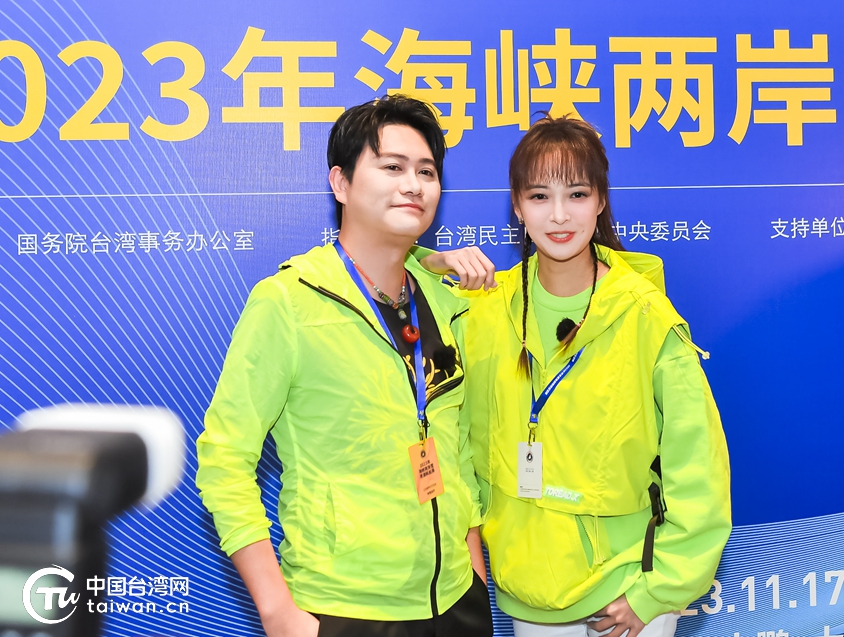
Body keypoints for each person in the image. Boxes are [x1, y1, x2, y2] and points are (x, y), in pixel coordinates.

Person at [421, 115, 731, 637]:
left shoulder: (645, 316)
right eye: (540, 196)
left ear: (601, 200)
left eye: (578, 194)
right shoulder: (484, 310)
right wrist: (436, 260)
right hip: (528, 592)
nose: (560, 215)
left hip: (628, 591)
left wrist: (656, 593)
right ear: (517, 206)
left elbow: (698, 468)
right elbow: (385, 271)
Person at [195, 95, 492, 637]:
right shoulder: (287, 301)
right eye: (392, 167)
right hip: (344, 609)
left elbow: (459, 449)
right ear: (341, 183)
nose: (413, 185)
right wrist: (277, 611)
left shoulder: (444, 300)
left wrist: (472, 571)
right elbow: (225, 460)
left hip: (455, 602)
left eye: (426, 171)